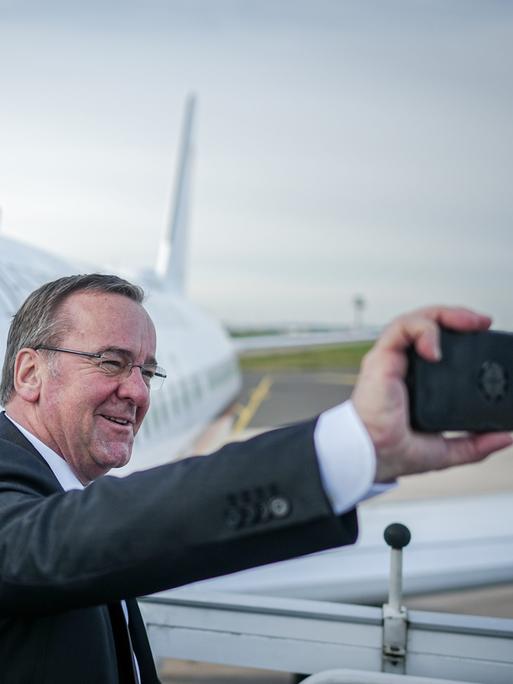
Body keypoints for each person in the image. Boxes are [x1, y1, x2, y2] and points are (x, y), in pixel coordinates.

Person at [0, 274, 510, 684]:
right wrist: (357, 443)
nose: (137, 391)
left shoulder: (58, 477)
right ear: (28, 374)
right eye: (111, 362)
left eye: (148, 372)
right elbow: (51, 545)